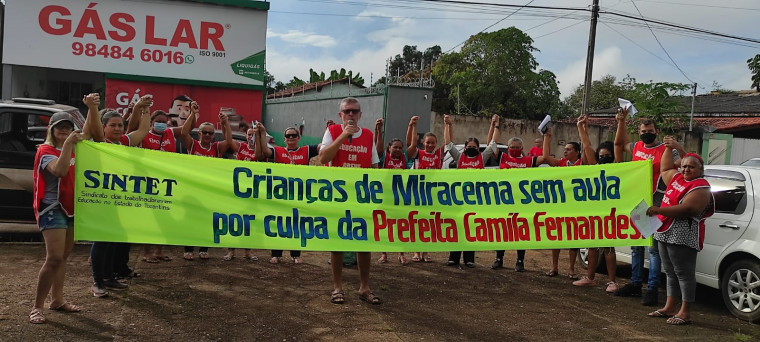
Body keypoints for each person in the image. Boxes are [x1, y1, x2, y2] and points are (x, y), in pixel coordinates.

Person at [28, 94, 99, 324]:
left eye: (68, 128)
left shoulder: (73, 144)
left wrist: (91, 108)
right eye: (60, 128)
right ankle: (37, 307)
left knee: (63, 257)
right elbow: (58, 171)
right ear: (52, 129)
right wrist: (69, 143)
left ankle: (57, 299)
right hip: (51, 207)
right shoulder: (45, 150)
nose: (64, 131)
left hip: (71, 207)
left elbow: (88, 132)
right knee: (54, 258)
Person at [613, 108, 682, 306]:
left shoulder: (667, 150)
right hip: (638, 202)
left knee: (653, 249)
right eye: (643, 131)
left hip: (657, 202)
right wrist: (622, 122)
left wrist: (677, 145)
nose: (646, 133)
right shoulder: (636, 148)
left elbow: (684, 161)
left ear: (656, 131)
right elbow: (619, 144)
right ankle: (635, 284)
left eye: (649, 130)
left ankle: (651, 288)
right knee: (636, 246)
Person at [86, 96, 153, 297]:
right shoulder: (100, 142)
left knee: (113, 240)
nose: (117, 129)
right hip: (101, 199)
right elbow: (94, 127)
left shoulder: (124, 141)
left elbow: (142, 131)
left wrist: (147, 110)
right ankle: (97, 282)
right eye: (113, 125)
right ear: (103, 127)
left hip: (118, 199)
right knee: (101, 240)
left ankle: (109, 278)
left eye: (120, 125)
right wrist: (92, 108)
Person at [319, 97, 381, 305]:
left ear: (360, 115)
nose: (351, 115)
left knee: (363, 243)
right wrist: (345, 135)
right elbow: (324, 158)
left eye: (355, 111)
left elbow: (374, 168)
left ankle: (364, 287)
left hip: (361, 198)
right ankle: (338, 287)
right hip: (337, 197)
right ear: (341, 115)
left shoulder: (369, 135)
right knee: (337, 243)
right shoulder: (333, 131)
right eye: (347, 112)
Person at [645, 148, 714, 325]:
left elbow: (689, 209)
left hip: (684, 233)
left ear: (700, 169)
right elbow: (665, 168)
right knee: (669, 272)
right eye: (683, 166)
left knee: (684, 273)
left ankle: (685, 312)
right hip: (665, 229)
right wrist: (669, 147)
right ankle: (669, 307)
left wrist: (659, 210)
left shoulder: (701, 186)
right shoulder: (677, 178)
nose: (686, 170)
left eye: (691, 167)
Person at [488, 114, 550, 272]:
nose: (514, 150)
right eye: (512, 147)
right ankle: (499, 258)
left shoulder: (529, 161)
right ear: (508, 149)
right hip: (504, 201)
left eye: (517, 147)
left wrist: (547, 137)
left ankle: (520, 261)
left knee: (521, 231)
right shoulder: (503, 158)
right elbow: (491, 145)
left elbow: (544, 157)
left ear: (522, 149)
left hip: (522, 203)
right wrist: (495, 125)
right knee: (502, 230)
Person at [179, 102, 237, 260]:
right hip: (192, 189)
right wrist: (193, 114)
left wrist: (225, 123)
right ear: (198, 133)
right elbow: (184, 133)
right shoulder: (193, 145)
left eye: (210, 133)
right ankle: (188, 249)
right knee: (190, 219)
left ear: (213, 135)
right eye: (204, 132)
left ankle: (204, 248)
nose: (206, 135)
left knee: (207, 220)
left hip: (210, 191)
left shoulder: (216, 148)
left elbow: (229, 140)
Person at [571, 115, 622, 293]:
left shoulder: (617, 168)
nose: (603, 158)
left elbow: (618, 145)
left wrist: (621, 123)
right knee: (592, 244)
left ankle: (612, 281)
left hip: (610, 212)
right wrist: (581, 127)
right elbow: (587, 147)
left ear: (613, 157)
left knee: (608, 247)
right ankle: (590, 278)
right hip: (595, 211)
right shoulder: (595, 166)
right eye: (601, 156)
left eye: (607, 156)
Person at [445, 114, 499, 268]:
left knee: (470, 228)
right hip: (459, 199)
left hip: (475, 199)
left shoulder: (481, 159)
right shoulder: (459, 157)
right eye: (469, 146)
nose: (471, 149)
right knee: (457, 227)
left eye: (474, 147)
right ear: (465, 146)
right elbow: (448, 144)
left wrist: (495, 125)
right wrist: (448, 125)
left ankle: (469, 259)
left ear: (478, 149)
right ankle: (453, 258)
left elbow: (493, 143)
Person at [128, 109, 178, 264]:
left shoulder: (169, 134)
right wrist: (138, 109)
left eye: (164, 121)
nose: (162, 124)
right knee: (149, 218)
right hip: (147, 183)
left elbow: (186, 129)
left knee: (164, 218)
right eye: (159, 121)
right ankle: (147, 253)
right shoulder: (143, 135)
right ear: (151, 122)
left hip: (166, 183)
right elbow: (131, 128)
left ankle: (159, 251)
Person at [266, 126, 321, 264]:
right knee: (279, 223)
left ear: (298, 138)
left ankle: (295, 254)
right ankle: (276, 254)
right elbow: (263, 152)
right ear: (284, 139)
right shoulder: (277, 151)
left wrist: (329, 131)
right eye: (288, 136)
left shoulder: (306, 150)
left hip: (299, 194)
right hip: (280, 194)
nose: (291, 138)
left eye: (294, 135)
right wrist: (260, 133)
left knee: (296, 224)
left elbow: (322, 146)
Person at [405, 115, 455, 262]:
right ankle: (416, 252)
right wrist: (412, 126)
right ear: (423, 143)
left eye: (433, 143)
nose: (430, 145)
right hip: (417, 193)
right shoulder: (418, 153)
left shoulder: (439, 155)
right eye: (428, 143)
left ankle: (425, 252)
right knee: (416, 223)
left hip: (432, 194)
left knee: (428, 223)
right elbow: (410, 143)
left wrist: (448, 125)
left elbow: (449, 143)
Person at [541, 127, 582, 279]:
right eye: (564, 149)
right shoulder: (562, 163)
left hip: (576, 207)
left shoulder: (583, 164)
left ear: (577, 152)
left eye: (568, 149)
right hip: (561, 205)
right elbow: (545, 157)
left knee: (573, 239)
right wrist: (547, 137)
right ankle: (554, 267)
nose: (565, 151)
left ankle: (571, 269)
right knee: (557, 237)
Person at [377, 129, 409, 265]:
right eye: (395, 147)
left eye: (400, 148)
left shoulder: (404, 158)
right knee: (384, 226)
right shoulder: (384, 157)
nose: (397, 149)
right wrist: (378, 130)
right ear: (389, 148)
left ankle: (401, 254)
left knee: (400, 226)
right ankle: (384, 254)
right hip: (385, 197)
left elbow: (412, 145)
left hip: (400, 199)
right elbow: (377, 148)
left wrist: (411, 125)